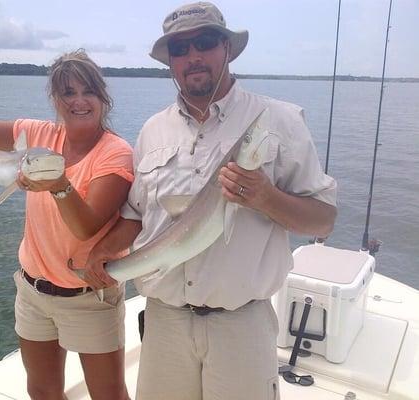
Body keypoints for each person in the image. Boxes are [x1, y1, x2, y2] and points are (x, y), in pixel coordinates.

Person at [84, 2, 337, 400]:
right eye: (180, 49)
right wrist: (103, 253)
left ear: (227, 50)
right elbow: (135, 215)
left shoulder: (278, 120)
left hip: (241, 324)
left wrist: (265, 197)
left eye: (204, 42)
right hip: (165, 320)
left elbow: (323, 221)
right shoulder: (153, 130)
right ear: (169, 62)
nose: (193, 56)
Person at [0, 50, 133, 400]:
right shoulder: (38, 133)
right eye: (68, 92)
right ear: (55, 99)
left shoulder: (115, 152)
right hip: (33, 291)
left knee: (109, 395)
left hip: (89, 296)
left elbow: (88, 226)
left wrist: (58, 184)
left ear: (103, 98)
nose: (79, 101)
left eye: (89, 92)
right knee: (42, 392)